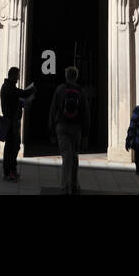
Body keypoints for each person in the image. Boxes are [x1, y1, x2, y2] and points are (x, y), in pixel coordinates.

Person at [49, 66, 90, 194]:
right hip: (76, 127)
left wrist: (51, 131)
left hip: (61, 126)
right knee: (74, 156)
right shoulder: (81, 91)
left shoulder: (60, 89)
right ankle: (74, 183)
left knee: (66, 156)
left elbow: (52, 110)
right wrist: (85, 134)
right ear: (76, 77)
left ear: (66, 76)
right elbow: (86, 113)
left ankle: (64, 186)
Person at [0, 66, 34, 182]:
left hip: (13, 122)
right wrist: (33, 89)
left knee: (15, 146)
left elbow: (19, 97)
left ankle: (12, 170)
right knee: (10, 148)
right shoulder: (8, 88)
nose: (19, 78)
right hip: (10, 122)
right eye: (18, 75)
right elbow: (23, 93)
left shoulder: (10, 87)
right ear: (13, 75)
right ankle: (8, 172)